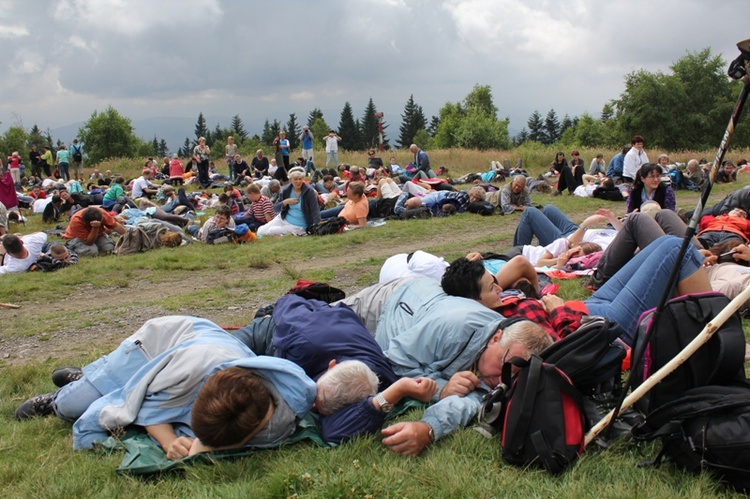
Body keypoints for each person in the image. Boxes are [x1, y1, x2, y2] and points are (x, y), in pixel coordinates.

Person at [14, 315, 318, 459]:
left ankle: (91, 381)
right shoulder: (182, 378)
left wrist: (201, 444)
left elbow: (236, 435)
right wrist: (167, 440)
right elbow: (142, 406)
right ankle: (66, 392)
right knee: (71, 409)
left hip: (205, 349)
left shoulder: (290, 398)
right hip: (156, 347)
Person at [336, 277, 552, 456]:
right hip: (394, 299)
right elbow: (395, 361)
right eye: (506, 366)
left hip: (415, 319)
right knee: (321, 319)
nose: (502, 379)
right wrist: (441, 389)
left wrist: (428, 428)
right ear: (496, 337)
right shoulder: (453, 327)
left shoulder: (501, 369)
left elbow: (468, 403)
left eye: (513, 377)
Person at [231, 294, 438, 443]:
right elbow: (287, 303)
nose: (311, 407)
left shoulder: (379, 379)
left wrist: (397, 390)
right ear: (332, 366)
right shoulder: (304, 341)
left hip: (331, 325)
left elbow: (332, 432)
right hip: (274, 331)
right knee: (220, 352)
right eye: (316, 396)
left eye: (319, 408)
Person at [443, 234, 711, 345]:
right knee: (677, 248)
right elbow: (558, 348)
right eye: (492, 289)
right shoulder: (504, 328)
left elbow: (520, 264)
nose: (499, 289)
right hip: (601, 325)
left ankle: (698, 327)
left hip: (588, 306)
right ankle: (717, 329)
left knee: (666, 242)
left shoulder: (495, 302)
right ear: (474, 302)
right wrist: (558, 310)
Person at [512, 204, 617, 250]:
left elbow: (573, 245)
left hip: (566, 243)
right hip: (575, 232)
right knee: (549, 209)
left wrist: (586, 224)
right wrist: (612, 218)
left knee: (529, 213)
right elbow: (625, 228)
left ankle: (517, 255)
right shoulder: (625, 234)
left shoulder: (614, 248)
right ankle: (542, 251)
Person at [257, 167, 320, 237]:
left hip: (298, 225)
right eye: (295, 179)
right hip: (283, 218)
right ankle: (282, 234)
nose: (298, 182)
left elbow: (315, 210)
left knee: (271, 231)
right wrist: (285, 202)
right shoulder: (286, 190)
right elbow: (275, 208)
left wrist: (315, 227)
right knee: (260, 231)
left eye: (300, 179)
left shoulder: (309, 192)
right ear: (290, 180)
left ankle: (285, 235)